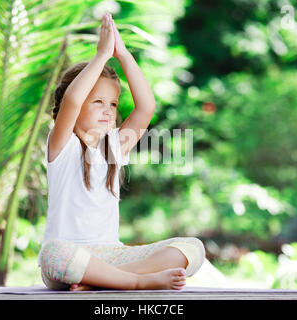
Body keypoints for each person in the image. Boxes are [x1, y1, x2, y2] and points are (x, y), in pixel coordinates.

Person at [38, 13, 205, 291]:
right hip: (69, 259)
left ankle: (100, 281)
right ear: (76, 108)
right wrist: (102, 56)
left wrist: (123, 54)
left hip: (111, 256)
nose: (108, 110)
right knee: (52, 254)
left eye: (113, 104)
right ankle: (135, 281)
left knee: (191, 249)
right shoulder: (62, 145)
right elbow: (72, 99)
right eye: (98, 102)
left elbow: (145, 108)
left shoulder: (113, 147)